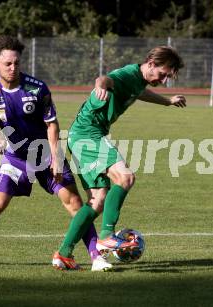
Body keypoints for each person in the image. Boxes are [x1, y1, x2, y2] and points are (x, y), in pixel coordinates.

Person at [0, 36, 112, 271]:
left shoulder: (37, 88)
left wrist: (56, 159)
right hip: (16, 159)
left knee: (74, 203)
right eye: (8, 64)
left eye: (17, 63)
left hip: (46, 156)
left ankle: (96, 257)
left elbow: (52, 125)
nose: (13, 68)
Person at [54, 46, 186, 260]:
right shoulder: (128, 73)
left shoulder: (138, 81)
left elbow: (140, 92)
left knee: (97, 202)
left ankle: (63, 253)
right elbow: (106, 78)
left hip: (80, 137)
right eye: (163, 74)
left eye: (167, 78)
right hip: (88, 134)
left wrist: (167, 101)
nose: (163, 80)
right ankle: (107, 235)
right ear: (151, 64)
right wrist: (101, 86)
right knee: (125, 177)